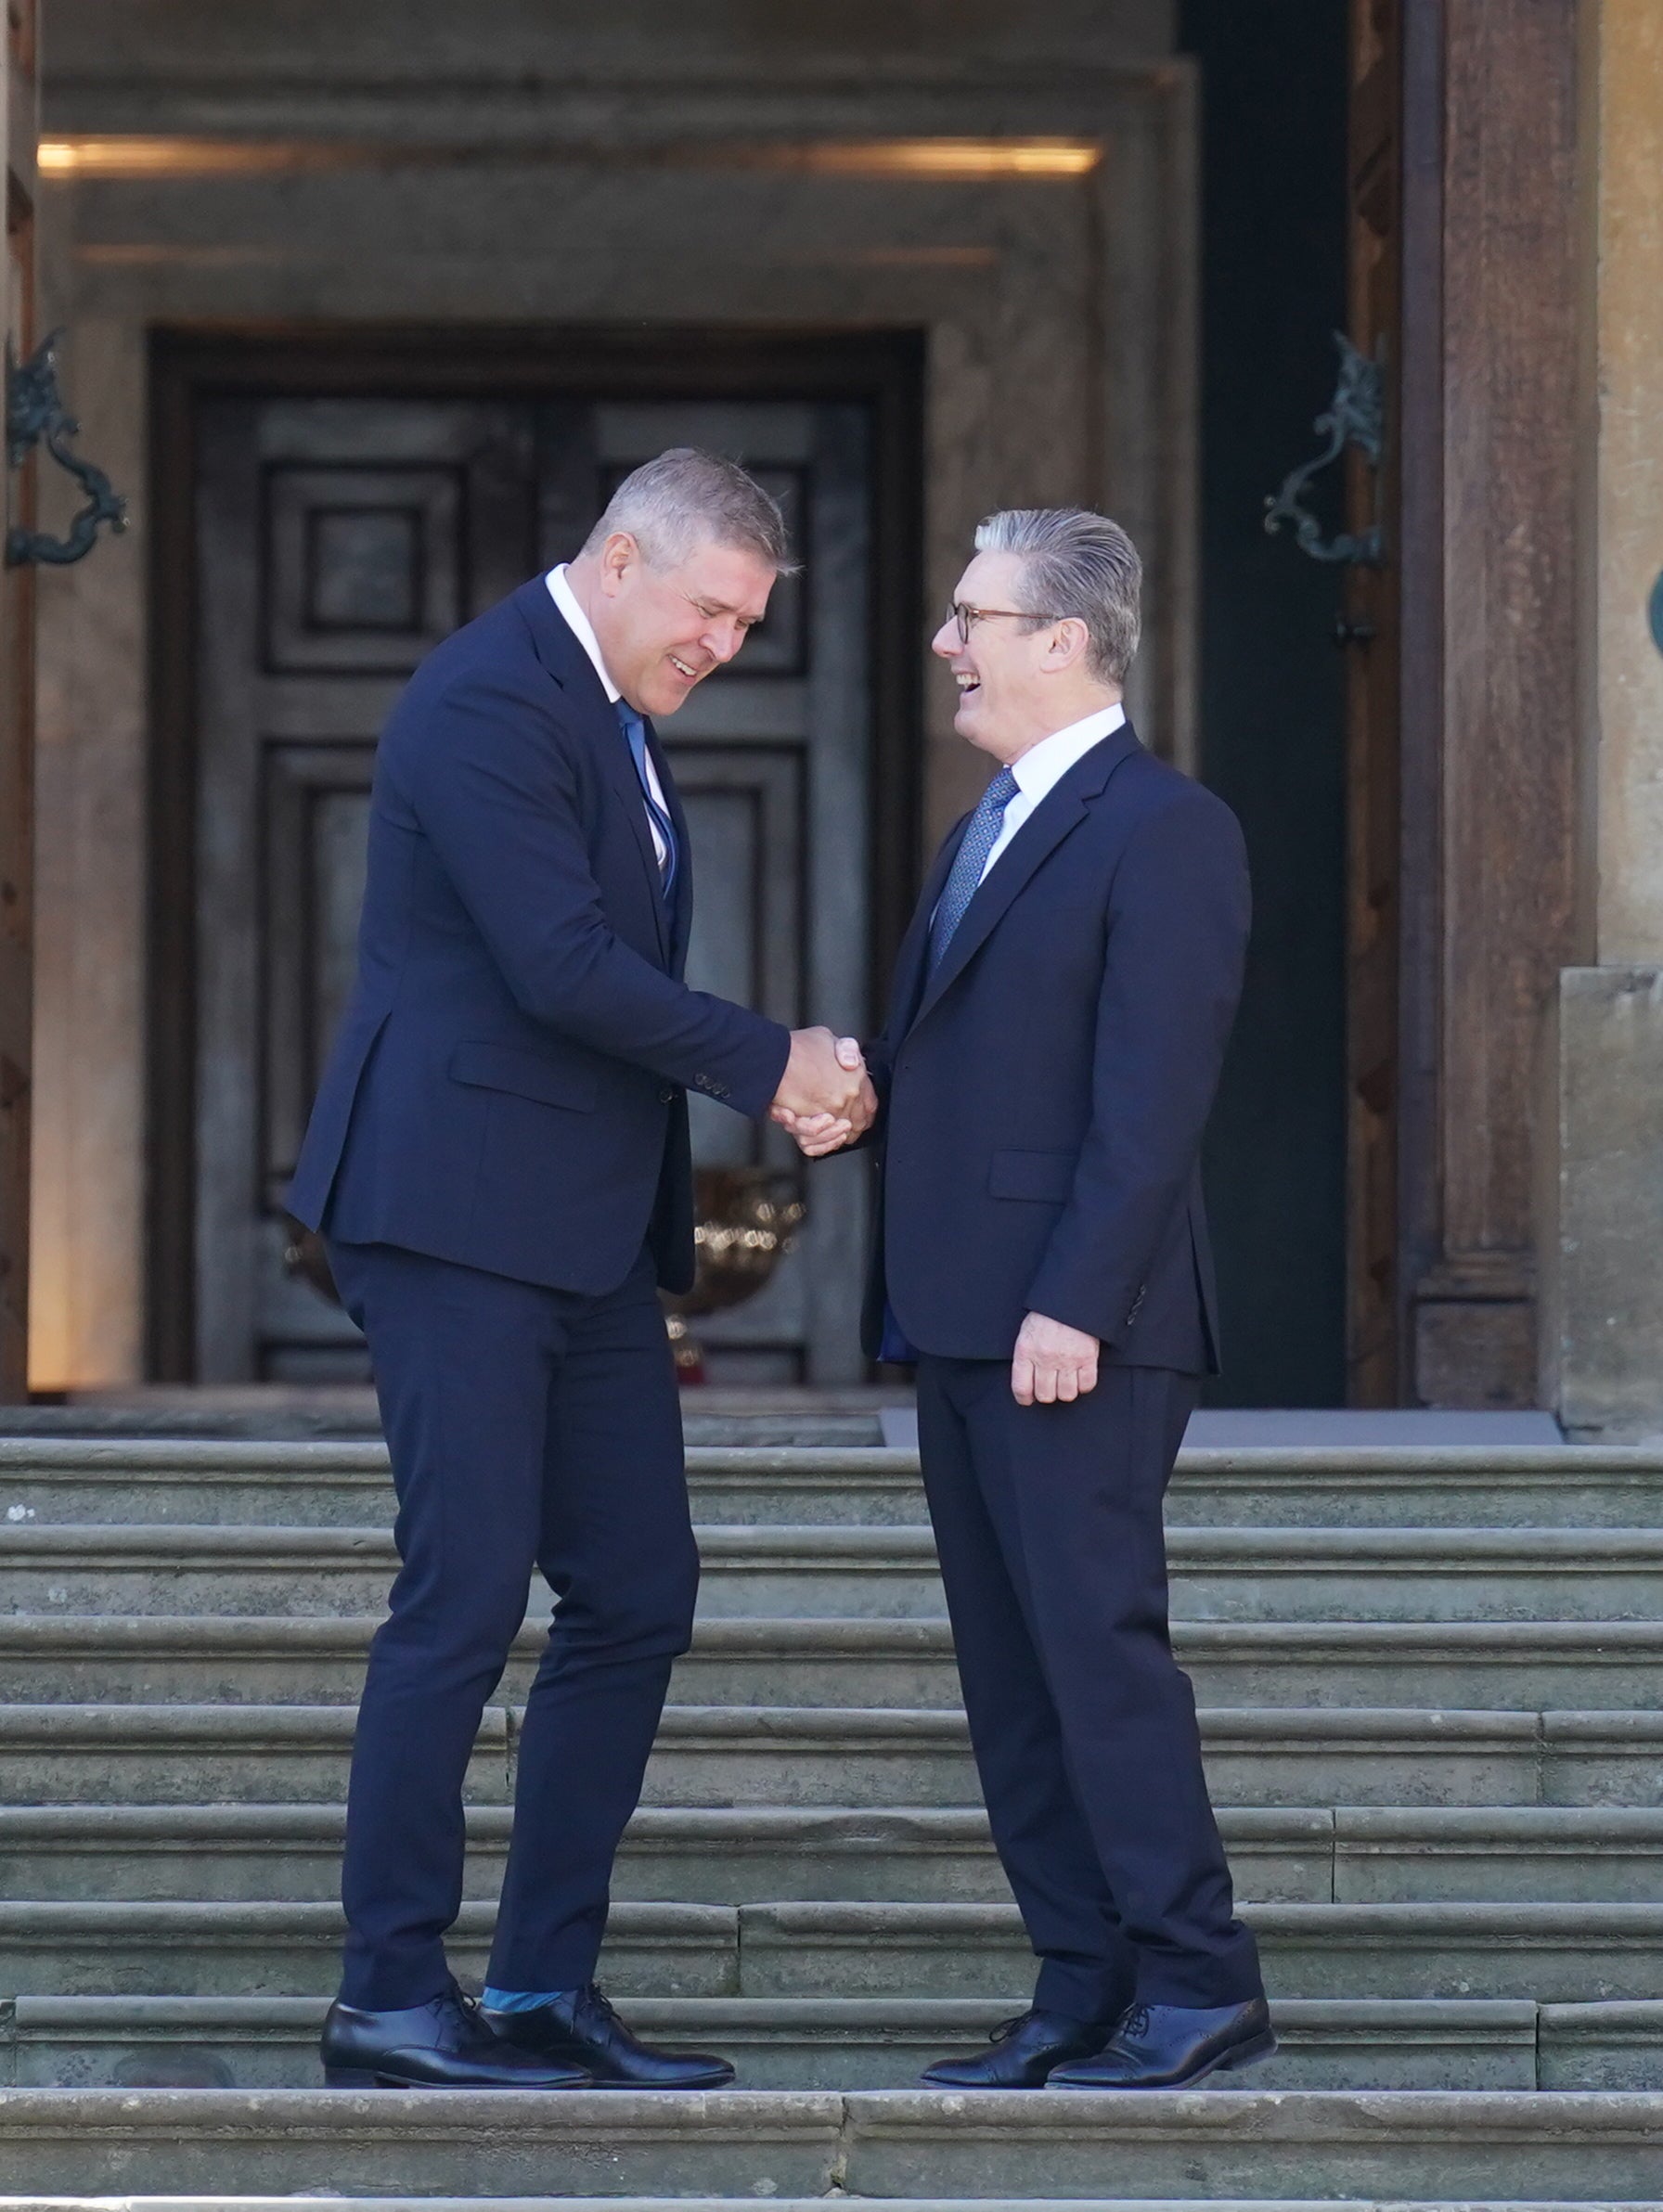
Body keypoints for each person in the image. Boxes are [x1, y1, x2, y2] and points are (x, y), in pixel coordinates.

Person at [288, 448, 873, 2091]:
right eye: (708, 612)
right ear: (621, 559)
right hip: (452, 1214)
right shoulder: (488, 695)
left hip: (584, 1234)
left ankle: (542, 1989)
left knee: (638, 1592)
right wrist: (775, 1064)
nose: (722, 649)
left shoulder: (611, 714)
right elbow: (557, 969)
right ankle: (389, 1997)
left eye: (749, 626)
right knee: (461, 1596)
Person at [779, 507, 1270, 2091]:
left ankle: (1199, 1981)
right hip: (959, 1313)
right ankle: (1081, 1983)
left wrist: (1076, 1302)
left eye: (974, 617)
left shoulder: (1166, 826)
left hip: (1081, 1329)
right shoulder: (986, 823)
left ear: (1067, 641)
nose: (949, 643)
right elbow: (991, 1066)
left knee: (1095, 1656)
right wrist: (866, 1101)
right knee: (1011, 1675)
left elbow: (1151, 1099)